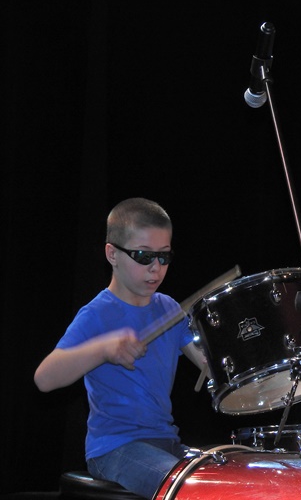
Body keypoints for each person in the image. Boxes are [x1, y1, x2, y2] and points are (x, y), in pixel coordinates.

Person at [34, 198, 206, 499]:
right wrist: (103, 349)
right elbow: (44, 379)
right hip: (115, 448)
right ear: (112, 254)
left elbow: (208, 364)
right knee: (189, 490)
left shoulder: (169, 310)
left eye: (164, 257)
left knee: (229, 479)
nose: (156, 268)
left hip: (167, 442)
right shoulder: (97, 314)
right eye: (143, 256)